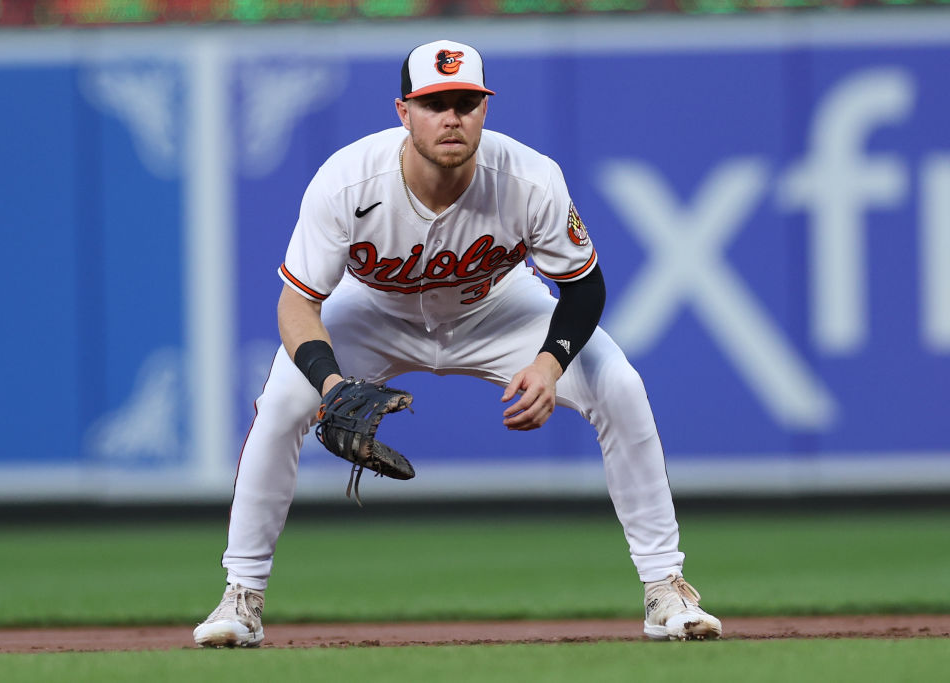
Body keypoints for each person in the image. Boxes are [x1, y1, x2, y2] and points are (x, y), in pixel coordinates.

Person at [193, 39, 722, 646]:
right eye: (434, 102)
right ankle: (242, 596)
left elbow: (585, 287)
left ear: (485, 109)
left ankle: (665, 588)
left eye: (466, 101)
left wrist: (550, 364)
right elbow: (297, 303)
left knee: (620, 385)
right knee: (283, 404)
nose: (451, 117)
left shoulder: (528, 177)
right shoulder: (347, 179)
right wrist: (331, 384)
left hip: (497, 308)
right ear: (403, 112)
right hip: (374, 311)